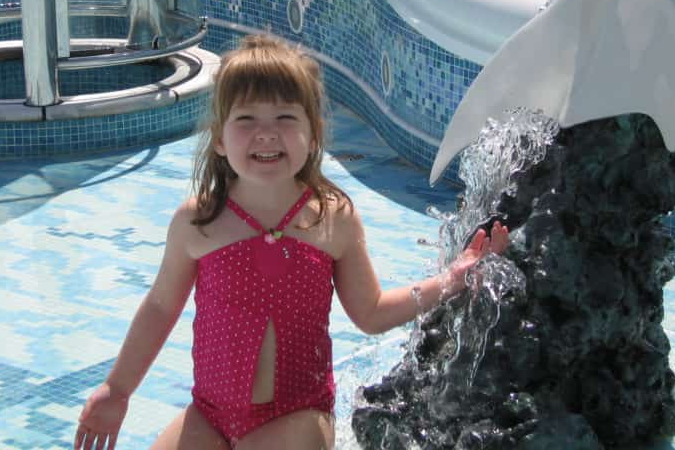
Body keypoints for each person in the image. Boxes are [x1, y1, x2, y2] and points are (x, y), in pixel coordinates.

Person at [74, 35, 509, 450]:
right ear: (221, 138)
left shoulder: (331, 218)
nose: (267, 133)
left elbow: (371, 312)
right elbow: (160, 307)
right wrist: (118, 389)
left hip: (296, 414)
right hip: (210, 414)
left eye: (285, 118)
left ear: (313, 133)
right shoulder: (199, 221)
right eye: (247, 120)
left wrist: (449, 281)